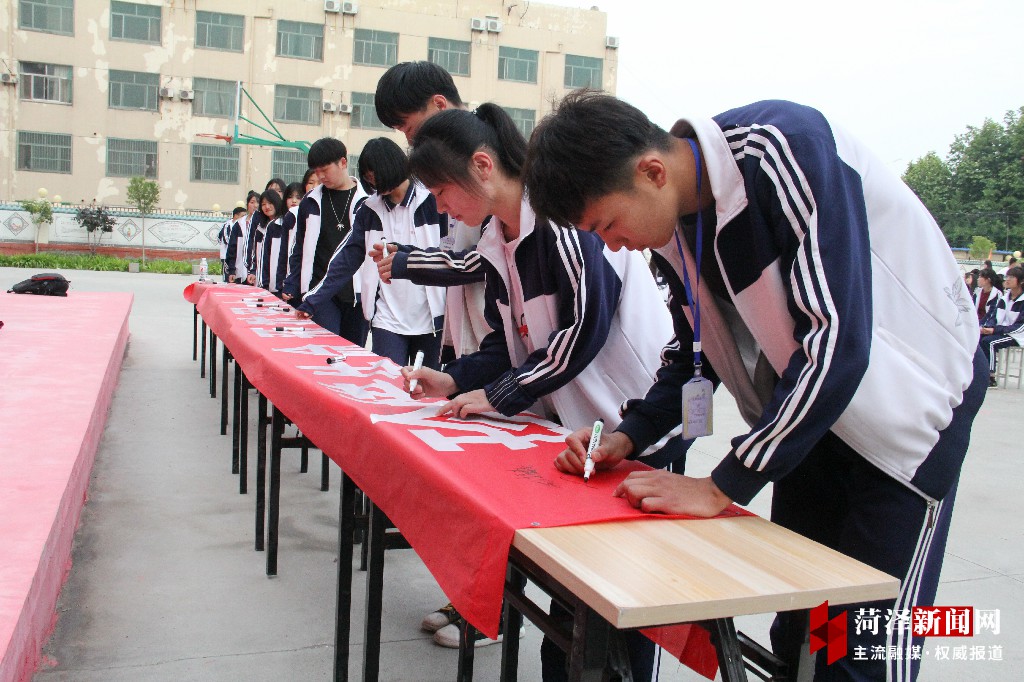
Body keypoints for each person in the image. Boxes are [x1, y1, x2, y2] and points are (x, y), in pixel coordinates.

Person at [523, 91, 987, 682]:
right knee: (803, 623)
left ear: (653, 171)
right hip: (815, 418)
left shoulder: (781, 150)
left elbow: (838, 341)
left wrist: (723, 484)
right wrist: (630, 435)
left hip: (910, 417)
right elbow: (698, 351)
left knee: (866, 643)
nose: (612, 245)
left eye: (608, 225)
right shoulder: (672, 229)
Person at [399, 105, 679, 673]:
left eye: (442, 190)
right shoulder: (495, 242)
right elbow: (513, 343)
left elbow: (585, 329)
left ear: (482, 166)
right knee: (571, 603)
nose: (438, 205)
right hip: (579, 437)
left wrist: (500, 396)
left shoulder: (558, 220)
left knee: (618, 605)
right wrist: (456, 379)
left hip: (637, 423)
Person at [297, 137, 448, 367]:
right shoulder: (369, 209)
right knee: (387, 386)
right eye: (368, 178)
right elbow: (346, 257)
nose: (374, 182)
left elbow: (451, 255)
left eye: (375, 175)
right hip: (387, 319)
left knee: (426, 394)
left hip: (431, 319)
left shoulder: (432, 201)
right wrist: (313, 300)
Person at [374, 60, 490, 360]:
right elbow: (461, 248)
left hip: (496, 337)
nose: (409, 139)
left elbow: (489, 259)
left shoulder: (483, 160)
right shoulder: (453, 159)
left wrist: (411, 262)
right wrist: (406, 253)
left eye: (408, 126)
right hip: (468, 332)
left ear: (439, 104)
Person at [282, 138, 370, 345]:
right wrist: (293, 282)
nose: (320, 176)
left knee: (353, 353)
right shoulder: (310, 201)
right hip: (319, 290)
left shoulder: (367, 201)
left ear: (342, 162)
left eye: (324, 170)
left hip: (356, 292)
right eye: (316, 171)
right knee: (326, 349)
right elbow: (299, 247)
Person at [979, 265, 1024, 385]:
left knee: (989, 342)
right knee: (979, 339)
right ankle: (979, 372)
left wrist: (995, 330)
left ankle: (990, 376)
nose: (1007, 279)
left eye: (1012, 277)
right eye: (1007, 276)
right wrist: (987, 327)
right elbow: (994, 316)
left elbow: (1020, 326)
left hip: (1016, 335)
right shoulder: (1005, 298)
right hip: (1001, 331)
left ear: (1021, 281)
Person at [253, 190, 288, 297]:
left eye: (270, 203)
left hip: (280, 282)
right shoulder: (260, 226)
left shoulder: (285, 223)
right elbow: (258, 252)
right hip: (264, 280)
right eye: (263, 204)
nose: (267, 207)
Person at [225, 190, 258, 283]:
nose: (255, 205)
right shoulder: (239, 224)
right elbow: (232, 248)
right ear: (247, 205)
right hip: (240, 269)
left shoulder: (263, 224)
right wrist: (231, 270)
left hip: (257, 272)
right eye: (252, 202)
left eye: (258, 202)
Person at [219, 207, 244, 282]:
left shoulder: (242, 225)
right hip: (226, 256)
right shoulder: (227, 225)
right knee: (227, 276)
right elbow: (224, 238)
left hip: (238, 256)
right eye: (242, 216)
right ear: (236, 215)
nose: (244, 218)